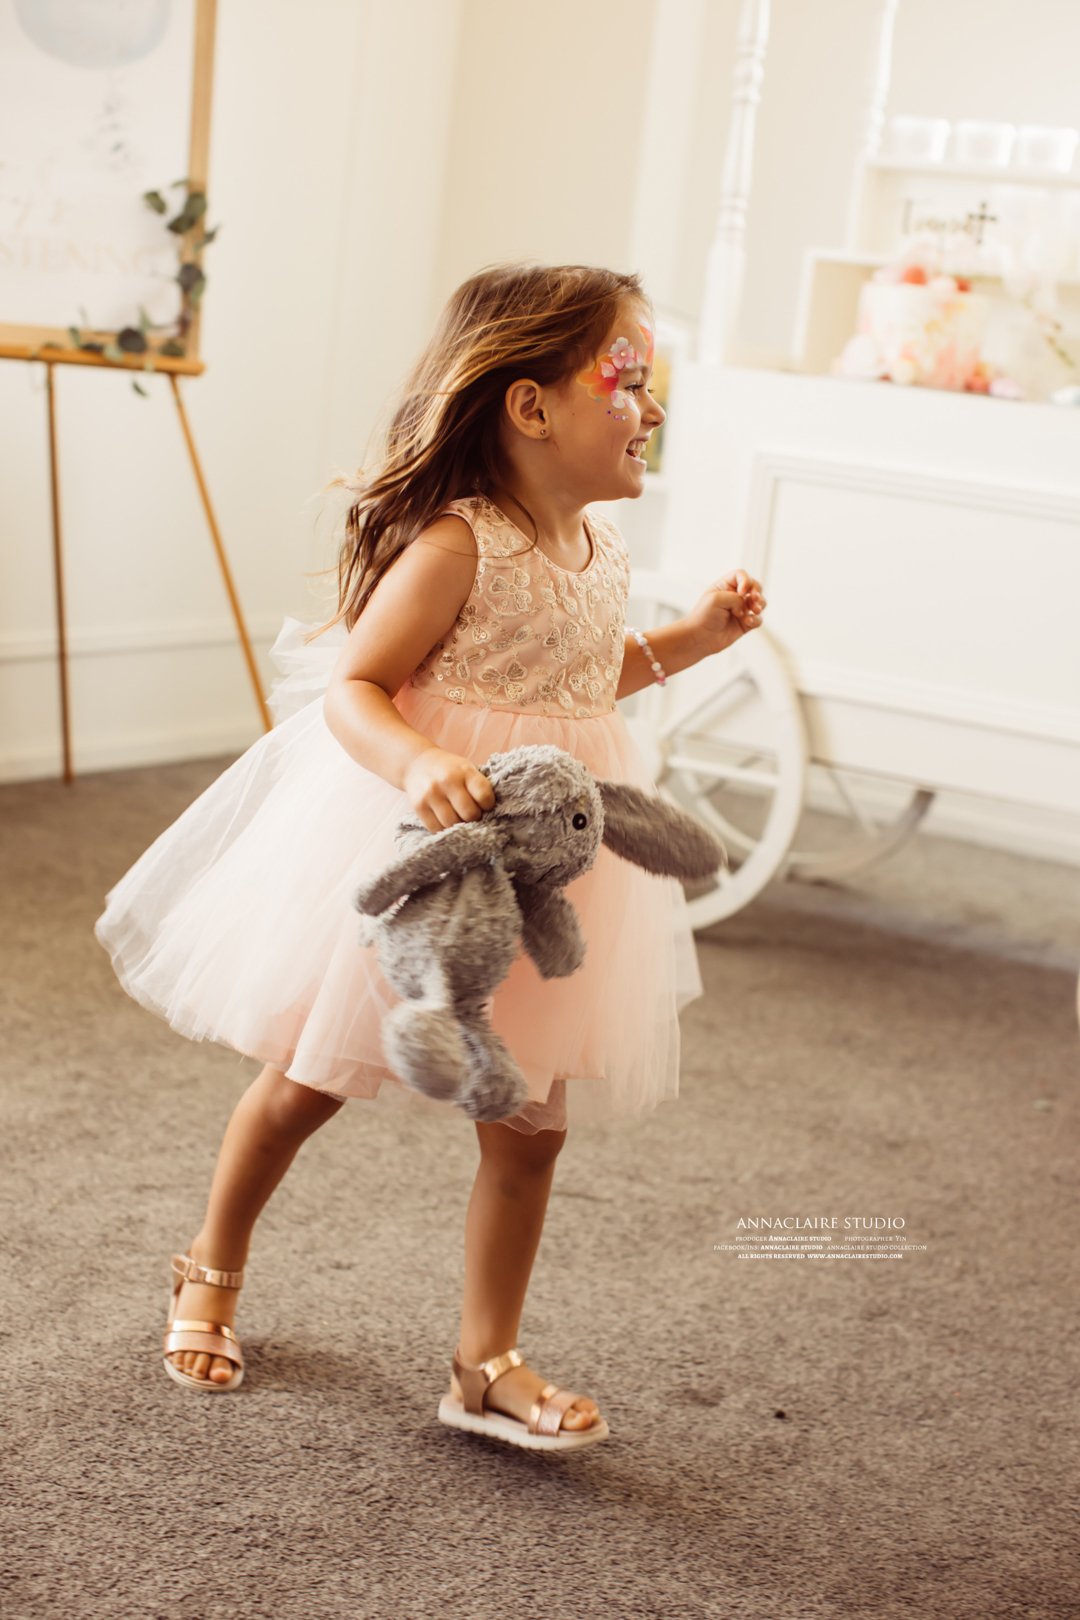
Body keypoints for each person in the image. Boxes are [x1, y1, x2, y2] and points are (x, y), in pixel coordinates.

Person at [94, 261, 766, 1451]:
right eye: (627, 379)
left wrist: (698, 640)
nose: (650, 407)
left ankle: (484, 1359)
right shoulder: (462, 545)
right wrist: (413, 764)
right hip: (426, 850)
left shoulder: (600, 547)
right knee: (309, 1080)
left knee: (530, 1126)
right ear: (530, 405)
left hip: (550, 860)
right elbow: (355, 685)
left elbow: (570, 679)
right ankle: (211, 1262)